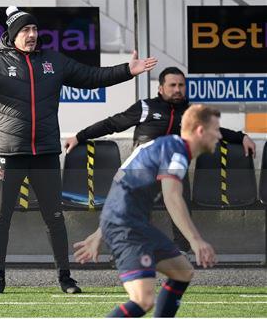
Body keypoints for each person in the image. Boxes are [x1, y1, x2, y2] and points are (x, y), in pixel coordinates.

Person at [0, 6, 158, 294]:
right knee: (0, 218)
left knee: (54, 218)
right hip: (8, 152)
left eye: (34, 30)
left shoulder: (53, 61)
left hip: (44, 153)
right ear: (13, 34)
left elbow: (92, 77)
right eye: (25, 30)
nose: (32, 35)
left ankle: (65, 278)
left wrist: (127, 71)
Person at [64, 66, 256, 252]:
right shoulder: (146, 107)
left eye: (181, 85)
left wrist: (241, 137)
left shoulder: (191, 114)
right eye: (172, 85)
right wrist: (80, 136)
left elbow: (215, 131)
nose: (177, 90)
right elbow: (112, 123)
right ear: (161, 88)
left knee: (177, 193)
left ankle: (181, 250)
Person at [73, 104, 220, 317]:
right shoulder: (176, 152)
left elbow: (119, 186)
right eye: (215, 129)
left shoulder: (163, 146)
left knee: (182, 272)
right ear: (200, 130)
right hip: (129, 228)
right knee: (143, 300)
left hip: (132, 224)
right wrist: (196, 240)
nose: (218, 135)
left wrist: (101, 232)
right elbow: (172, 197)